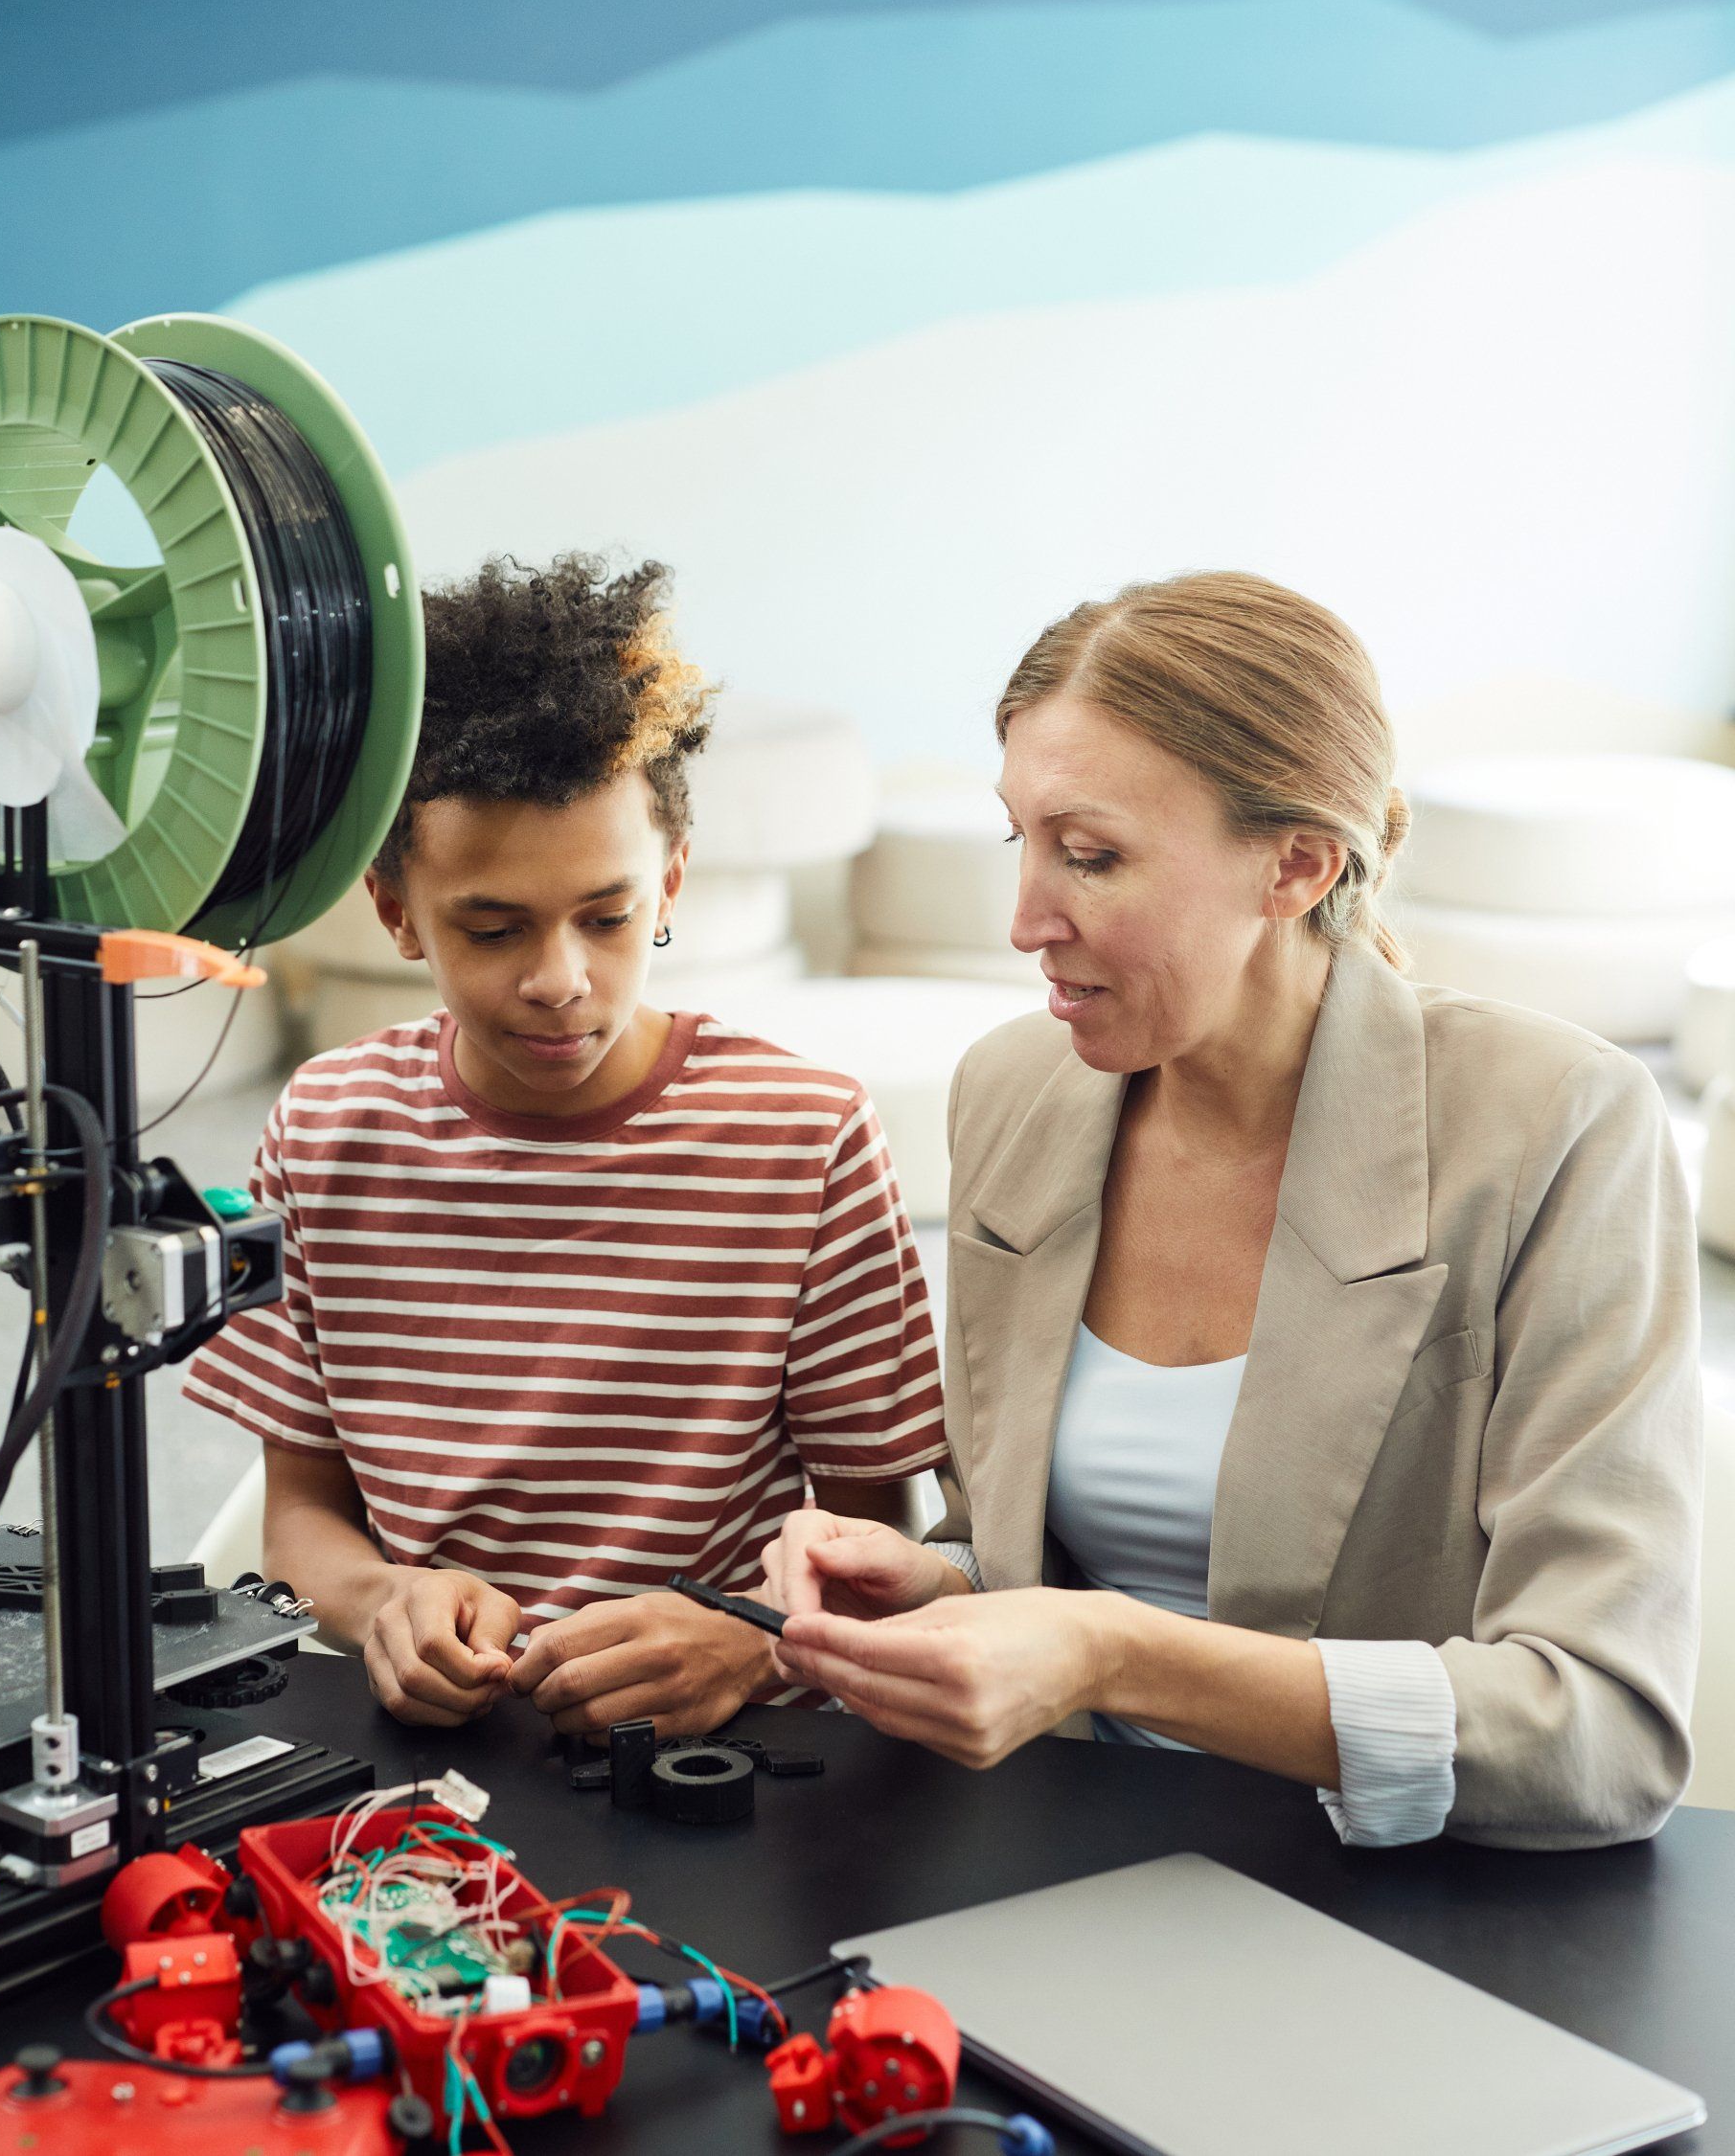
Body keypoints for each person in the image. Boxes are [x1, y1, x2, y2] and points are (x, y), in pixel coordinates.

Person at [759, 571, 1701, 1850]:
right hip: (1066, 1854)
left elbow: (1598, 1731)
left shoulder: (1558, 1126)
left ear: (1298, 865)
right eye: (1019, 841)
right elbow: (1029, 1566)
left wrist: (1108, 1653)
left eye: (1089, 855)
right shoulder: (1014, 1094)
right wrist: (931, 1585)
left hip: (1399, 1907)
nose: (1027, 919)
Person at [186, 554, 947, 1736]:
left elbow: (881, 1541)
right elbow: (300, 1526)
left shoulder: (807, 1138)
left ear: (672, 882)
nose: (559, 981)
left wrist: (754, 1643)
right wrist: (388, 1598)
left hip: (729, 1749)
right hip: (440, 1742)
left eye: (609, 917)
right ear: (394, 912)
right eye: (491, 928)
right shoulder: (328, 1128)